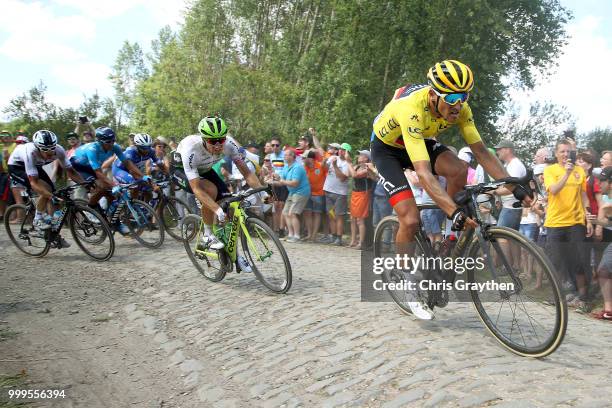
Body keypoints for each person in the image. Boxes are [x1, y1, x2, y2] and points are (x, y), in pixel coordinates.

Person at [370, 59, 530, 319]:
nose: (458, 104)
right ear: (433, 95)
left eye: (464, 96)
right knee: (409, 219)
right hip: (387, 150)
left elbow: (480, 151)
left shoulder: (461, 109)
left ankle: (448, 238)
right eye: (452, 97)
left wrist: (514, 186)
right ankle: (410, 287)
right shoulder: (412, 108)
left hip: (418, 141)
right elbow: (423, 173)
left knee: (457, 170)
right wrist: (453, 209)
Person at [172, 116, 264, 272]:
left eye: (220, 140)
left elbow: (247, 173)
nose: (217, 145)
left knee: (231, 205)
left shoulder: (229, 144)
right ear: (203, 139)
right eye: (212, 141)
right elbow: (197, 189)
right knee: (210, 191)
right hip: (180, 171)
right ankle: (207, 234)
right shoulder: (191, 149)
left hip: (205, 170)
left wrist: (262, 192)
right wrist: (216, 209)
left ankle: (233, 252)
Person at [7, 130, 85, 240]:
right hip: (17, 166)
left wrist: (85, 184)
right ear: (37, 147)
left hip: (36, 165)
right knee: (45, 191)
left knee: (53, 191)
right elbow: (34, 182)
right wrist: (50, 196)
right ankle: (38, 219)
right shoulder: (30, 152)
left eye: (52, 149)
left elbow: (71, 172)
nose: (49, 153)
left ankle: (51, 233)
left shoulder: (59, 150)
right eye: (45, 150)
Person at [544, 139, 592, 312]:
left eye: (568, 151)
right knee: (556, 261)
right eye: (562, 151)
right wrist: (566, 173)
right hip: (555, 222)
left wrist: (588, 217)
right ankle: (557, 296)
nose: (565, 155)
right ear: (556, 153)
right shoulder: (550, 170)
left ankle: (583, 298)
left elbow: (583, 195)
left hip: (576, 221)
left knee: (579, 261)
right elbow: (554, 190)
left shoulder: (579, 171)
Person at [70, 127, 143, 232]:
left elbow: (127, 163)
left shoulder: (115, 147)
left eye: (113, 141)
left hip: (90, 167)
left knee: (112, 195)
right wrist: (114, 185)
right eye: (108, 142)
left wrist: (141, 176)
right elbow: (98, 173)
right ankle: (90, 210)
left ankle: (115, 223)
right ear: (99, 141)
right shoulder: (93, 149)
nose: (111, 144)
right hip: (77, 166)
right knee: (101, 187)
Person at [267, 149, 310, 242]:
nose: (284, 157)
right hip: (292, 192)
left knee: (292, 213)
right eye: (284, 155)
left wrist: (281, 180)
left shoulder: (297, 167)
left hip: (301, 192)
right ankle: (290, 234)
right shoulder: (286, 166)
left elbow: (294, 183)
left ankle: (297, 236)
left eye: (286, 155)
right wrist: (272, 182)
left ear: (292, 156)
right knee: (285, 212)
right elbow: (282, 182)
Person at [322, 142, 351, 246]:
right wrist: (324, 162)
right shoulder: (333, 158)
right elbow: (324, 169)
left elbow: (342, 178)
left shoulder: (347, 163)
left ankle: (339, 238)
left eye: (344, 150)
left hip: (340, 193)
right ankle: (333, 236)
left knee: (339, 216)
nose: (341, 151)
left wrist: (334, 166)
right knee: (331, 214)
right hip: (328, 190)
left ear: (347, 152)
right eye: (340, 149)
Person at [592, 166, 612, 320]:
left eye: (602, 181)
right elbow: (608, 222)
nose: (599, 184)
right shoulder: (607, 198)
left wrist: (606, 208)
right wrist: (596, 221)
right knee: (604, 271)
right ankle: (608, 310)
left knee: (604, 270)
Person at [493, 140, 527, 230]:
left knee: (501, 237)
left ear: (508, 150)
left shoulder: (515, 165)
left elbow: (510, 189)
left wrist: (493, 192)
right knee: (509, 239)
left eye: (500, 149)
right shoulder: (508, 165)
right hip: (509, 207)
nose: (497, 152)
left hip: (511, 208)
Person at [348, 150, 374, 249]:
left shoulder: (368, 168)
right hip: (355, 193)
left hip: (363, 194)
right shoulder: (357, 166)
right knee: (353, 218)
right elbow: (348, 173)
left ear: (366, 158)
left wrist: (349, 163)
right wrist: (350, 164)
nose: (359, 156)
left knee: (360, 220)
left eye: (361, 155)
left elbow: (355, 175)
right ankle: (353, 240)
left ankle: (361, 243)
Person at [302, 149, 327, 242]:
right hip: (308, 193)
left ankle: (314, 235)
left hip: (319, 194)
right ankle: (309, 234)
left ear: (311, 158)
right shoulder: (305, 167)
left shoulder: (320, 166)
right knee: (307, 213)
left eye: (305, 158)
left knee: (317, 213)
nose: (303, 159)